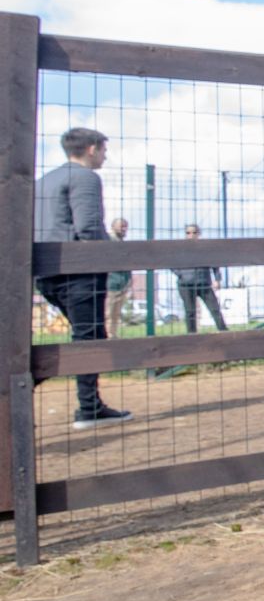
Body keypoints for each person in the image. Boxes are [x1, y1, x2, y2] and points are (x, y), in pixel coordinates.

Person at [33, 127, 133, 429]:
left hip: (46, 272)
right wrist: (111, 256)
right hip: (78, 272)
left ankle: (89, 405)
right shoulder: (86, 178)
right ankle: (89, 409)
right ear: (91, 149)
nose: (105, 156)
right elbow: (88, 227)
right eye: (103, 150)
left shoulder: (44, 181)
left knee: (85, 337)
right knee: (88, 340)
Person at [173, 224, 227, 333]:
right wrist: (180, 273)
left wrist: (217, 279)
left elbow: (215, 264)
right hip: (186, 284)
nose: (191, 235)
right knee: (190, 312)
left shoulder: (205, 249)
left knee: (214, 308)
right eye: (188, 233)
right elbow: (170, 263)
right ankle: (192, 334)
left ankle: (223, 330)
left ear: (198, 234)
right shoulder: (180, 249)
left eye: (194, 232)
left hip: (204, 283)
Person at [104, 217, 133, 334]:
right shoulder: (109, 241)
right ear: (113, 226)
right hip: (111, 284)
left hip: (122, 284)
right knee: (108, 314)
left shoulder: (122, 243)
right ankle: (107, 337)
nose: (124, 229)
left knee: (115, 315)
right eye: (121, 226)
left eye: (126, 226)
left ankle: (112, 336)